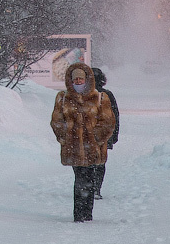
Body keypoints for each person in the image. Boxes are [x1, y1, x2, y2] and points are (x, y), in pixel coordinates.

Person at [49, 61, 116, 222]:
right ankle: (79, 214)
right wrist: (64, 136)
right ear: (70, 81)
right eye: (75, 79)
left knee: (89, 179)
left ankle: (87, 212)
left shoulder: (100, 98)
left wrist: (97, 138)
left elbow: (108, 121)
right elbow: (56, 121)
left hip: (93, 148)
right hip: (73, 148)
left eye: (81, 79)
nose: (78, 82)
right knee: (80, 179)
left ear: (87, 79)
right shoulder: (63, 98)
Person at [91, 67, 119, 199]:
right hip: (103, 135)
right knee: (100, 162)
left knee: (90, 163)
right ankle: (95, 188)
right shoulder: (107, 94)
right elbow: (115, 117)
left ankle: (90, 188)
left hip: (91, 135)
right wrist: (114, 135)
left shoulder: (88, 94)